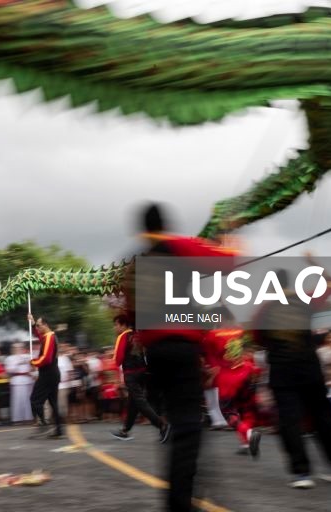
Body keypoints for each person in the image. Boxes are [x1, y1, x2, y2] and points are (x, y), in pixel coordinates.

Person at [123, 203, 236, 512]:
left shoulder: (136, 264)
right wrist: (229, 237)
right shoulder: (179, 246)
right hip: (181, 347)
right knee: (188, 425)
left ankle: (183, 496)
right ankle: (180, 503)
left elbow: (131, 314)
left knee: (180, 422)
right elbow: (227, 262)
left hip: (155, 353)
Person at [252, 254, 331, 489]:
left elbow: (259, 339)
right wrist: (312, 262)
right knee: (322, 417)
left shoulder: (263, 310)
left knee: (289, 422)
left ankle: (301, 473)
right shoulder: (305, 299)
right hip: (309, 368)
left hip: (282, 372)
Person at [202, 310, 261, 457]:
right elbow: (250, 351)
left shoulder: (211, 336)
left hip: (228, 378)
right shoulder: (240, 331)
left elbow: (211, 362)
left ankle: (248, 433)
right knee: (246, 409)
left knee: (228, 412)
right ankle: (245, 443)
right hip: (248, 372)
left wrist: (210, 376)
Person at [110, 314, 169, 442]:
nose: (115, 328)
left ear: (123, 325)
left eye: (116, 325)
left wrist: (117, 377)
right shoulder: (137, 335)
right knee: (133, 403)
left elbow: (118, 359)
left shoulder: (122, 336)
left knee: (140, 402)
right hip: (142, 372)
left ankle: (161, 425)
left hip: (130, 374)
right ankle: (125, 430)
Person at [27, 314, 62, 439]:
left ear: (45, 325)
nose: (37, 328)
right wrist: (32, 323)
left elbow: (46, 359)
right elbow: (38, 335)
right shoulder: (48, 336)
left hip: (48, 375)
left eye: (38, 325)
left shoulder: (49, 338)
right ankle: (58, 430)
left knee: (35, 399)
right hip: (52, 374)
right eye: (36, 326)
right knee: (53, 402)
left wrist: (33, 362)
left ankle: (43, 425)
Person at [5, 342, 34, 424]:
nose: (19, 349)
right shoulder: (10, 358)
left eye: (21, 347)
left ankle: (28, 418)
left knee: (28, 400)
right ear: (13, 349)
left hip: (28, 380)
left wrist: (29, 363)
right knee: (17, 400)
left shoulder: (28, 356)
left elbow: (34, 366)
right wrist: (18, 363)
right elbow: (9, 370)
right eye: (17, 348)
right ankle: (17, 419)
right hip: (17, 380)